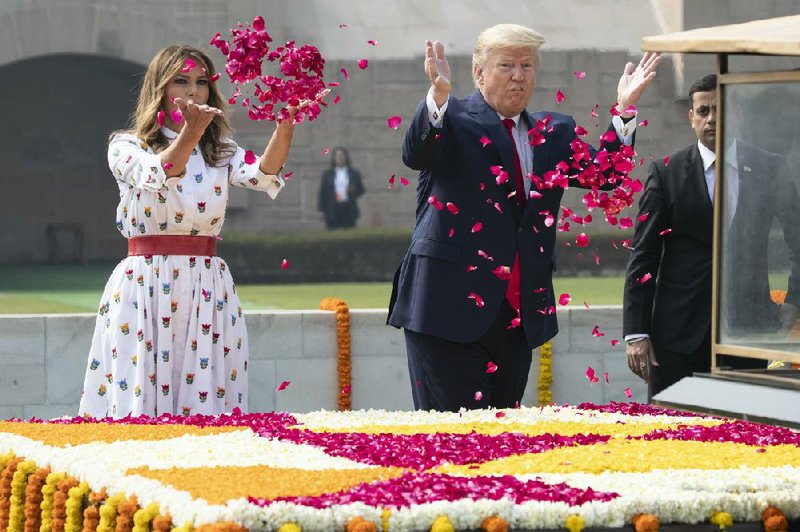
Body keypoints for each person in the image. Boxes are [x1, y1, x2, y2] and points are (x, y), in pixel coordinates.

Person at [387, 24, 660, 411]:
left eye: (527, 66)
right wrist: (438, 96)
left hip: (516, 316)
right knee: (450, 437)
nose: (518, 75)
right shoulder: (452, 119)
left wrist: (625, 110)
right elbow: (417, 153)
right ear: (479, 73)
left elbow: (607, 175)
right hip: (445, 310)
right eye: (507, 65)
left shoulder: (555, 131)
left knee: (504, 438)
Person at [78, 44, 303, 419]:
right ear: (161, 88)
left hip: (206, 283)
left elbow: (264, 173)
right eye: (181, 81)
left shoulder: (220, 150)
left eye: (201, 82)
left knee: (208, 396)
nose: (193, 90)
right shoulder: (127, 146)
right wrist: (190, 132)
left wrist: (286, 125)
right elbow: (162, 171)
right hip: (145, 283)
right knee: (141, 396)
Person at [623, 74, 800, 398]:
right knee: (675, 435)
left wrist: (794, 300)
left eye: (720, 110)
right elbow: (644, 254)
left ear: (738, 115)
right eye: (703, 111)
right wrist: (636, 332)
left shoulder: (769, 168)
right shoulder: (666, 172)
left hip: (748, 334)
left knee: (749, 437)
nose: (712, 119)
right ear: (691, 117)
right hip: (676, 335)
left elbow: (798, 240)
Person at [318, 147, 365, 229]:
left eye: (342, 155)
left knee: (349, 233)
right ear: (334, 158)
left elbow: (361, 190)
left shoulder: (353, 173)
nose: (340, 158)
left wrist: (353, 190)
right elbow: (322, 193)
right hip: (333, 208)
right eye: (337, 155)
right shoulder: (328, 174)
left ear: (346, 157)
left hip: (348, 207)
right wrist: (321, 210)